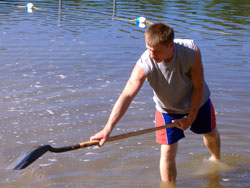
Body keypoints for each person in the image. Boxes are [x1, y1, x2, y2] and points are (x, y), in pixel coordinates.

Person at [90, 22, 221, 183]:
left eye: (157, 51)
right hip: (167, 109)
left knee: (210, 133)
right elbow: (127, 95)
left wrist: (191, 117)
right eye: (149, 49)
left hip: (198, 102)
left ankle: (216, 160)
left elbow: (199, 85)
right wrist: (107, 129)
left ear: (170, 45)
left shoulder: (190, 51)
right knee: (167, 152)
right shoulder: (145, 63)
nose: (152, 55)